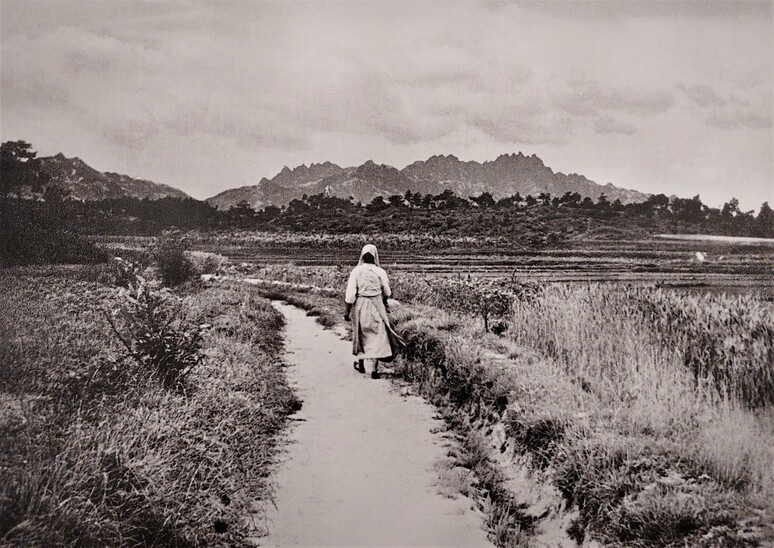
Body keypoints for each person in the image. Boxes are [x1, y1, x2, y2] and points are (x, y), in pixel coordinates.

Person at [344, 244, 402, 379]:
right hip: (377, 305)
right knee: (378, 335)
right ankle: (375, 370)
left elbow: (350, 295)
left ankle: (361, 364)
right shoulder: (380, 271)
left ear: (362, 256)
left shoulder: (356, 271)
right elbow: (387, 292)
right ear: (375, 256)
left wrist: (346, 312)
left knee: (361, 333)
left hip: (361, 305)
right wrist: (384, 301)